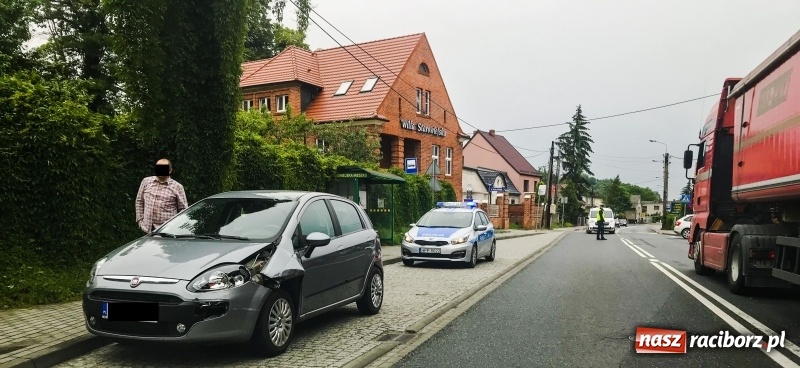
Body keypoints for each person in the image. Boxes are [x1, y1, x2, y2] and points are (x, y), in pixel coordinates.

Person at [136, 159, 188, 233]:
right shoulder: (146, 181)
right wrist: (140, 221)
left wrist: (175, 228)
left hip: (167, 232)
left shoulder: (177, 187)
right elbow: (139, 201)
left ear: (170, 170)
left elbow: (183, 210)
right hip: (146, 229)